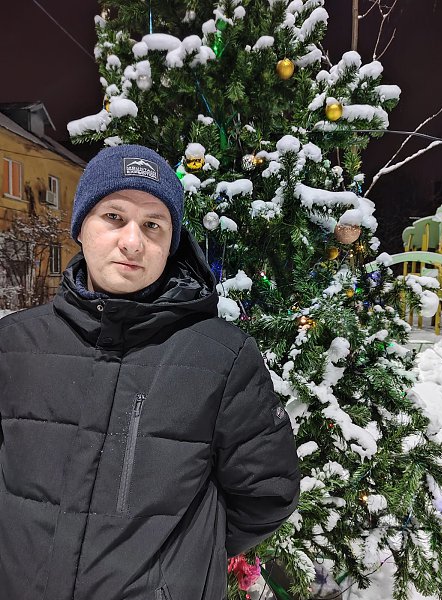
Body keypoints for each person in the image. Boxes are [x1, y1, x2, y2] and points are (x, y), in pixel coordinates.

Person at [0, 144, 300, 600]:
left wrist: (181, 565)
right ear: (81, 227)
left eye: (153, 225)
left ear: (170, 244)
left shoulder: (224, 357)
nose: (132, 242)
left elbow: (267, 493)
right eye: (114, 217)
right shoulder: (14, 344)